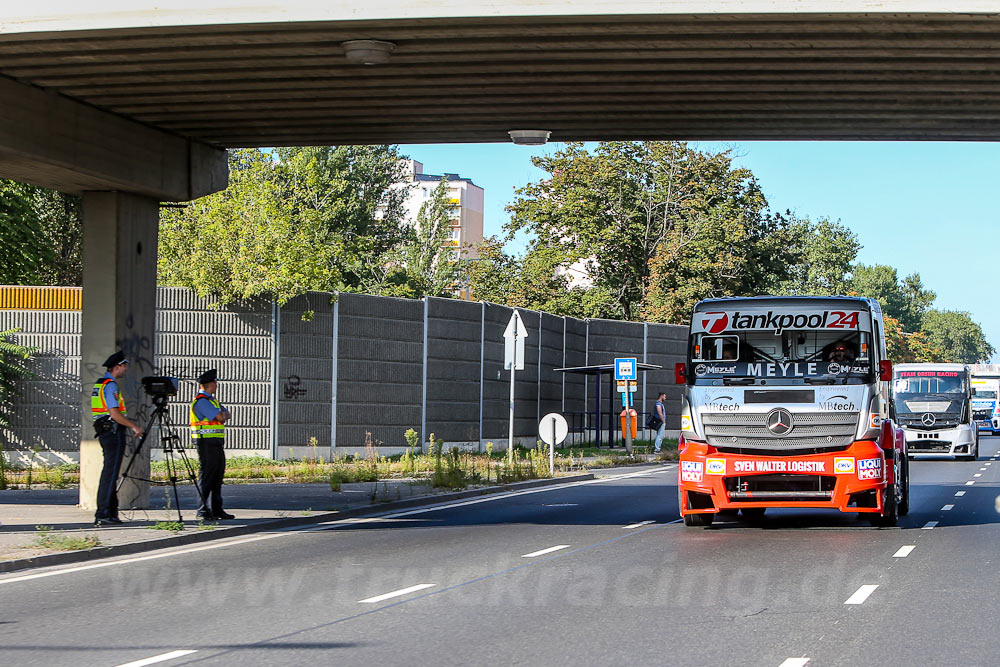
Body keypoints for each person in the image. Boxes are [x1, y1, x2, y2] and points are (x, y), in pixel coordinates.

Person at [91, 350, 143, 526]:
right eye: (124, 366)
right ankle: (104, 513)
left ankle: (110, 512)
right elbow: (114, 413)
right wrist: (133, 425)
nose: (126, 370)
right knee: (110, 473)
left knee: (110, 473)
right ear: (117, 367)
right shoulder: (111, 385)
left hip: (104, 431)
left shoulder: (100, 384)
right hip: (113, 432)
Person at [190, 369, 234, 520]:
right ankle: (203, 510)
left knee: (217, 476)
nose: (216, 384)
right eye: (215, 382)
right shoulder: (202, 401)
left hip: (215, 442)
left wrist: (223, 414)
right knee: (207, 476)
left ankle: (217, 509)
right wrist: (222, 415)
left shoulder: (212, 400)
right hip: (206, 442)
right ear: (209, 384)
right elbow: (221, 417)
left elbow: (226, 414)